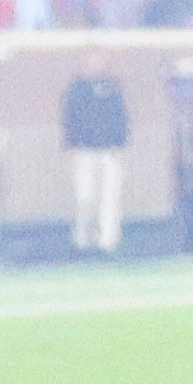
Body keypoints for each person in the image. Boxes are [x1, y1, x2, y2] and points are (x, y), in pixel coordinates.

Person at [60, 65, 131, 258]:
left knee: (110, 197)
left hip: (109, 151)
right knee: (84, 197)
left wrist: (119, 141)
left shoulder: (112, 88)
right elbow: (70, 118)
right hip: (84, 151)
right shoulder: (77, 91)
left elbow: (120, 117)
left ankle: (108, 242)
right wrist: (74, 141)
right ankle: (83, 242)